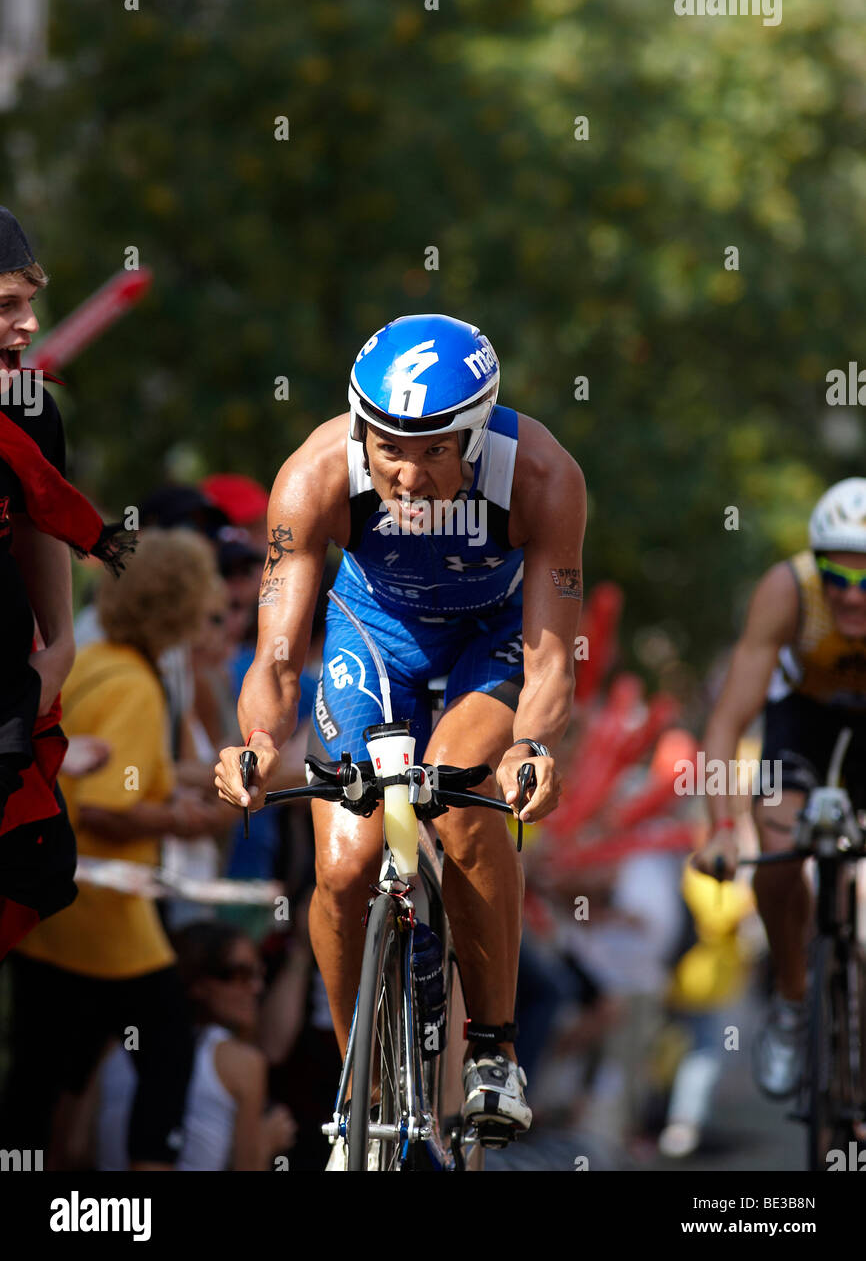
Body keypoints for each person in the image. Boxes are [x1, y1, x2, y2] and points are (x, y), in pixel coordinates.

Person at [215, 313, 586, 1140]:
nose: (409, 477)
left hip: (490, 644)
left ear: (478, 435)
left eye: (434, 452)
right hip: (372, 638)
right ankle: (360, 1088)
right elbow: (275, 657)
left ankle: (491, 1045)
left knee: (455, 801)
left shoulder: (544, 477)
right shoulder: (313, 475)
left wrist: (532, 745)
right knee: (343, 867)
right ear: (359, 431)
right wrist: (259, 745)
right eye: (389, 449)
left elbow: (554, 651)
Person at [3, 528, 229, 1169]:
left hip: (49, 908)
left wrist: (190, 781)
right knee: (166, 1049)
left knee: (42, 1074)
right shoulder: (135, 684)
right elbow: (108, 803)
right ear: (180, 607)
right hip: (106, 915)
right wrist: (181, 823)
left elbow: (119, 766)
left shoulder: (98, 662)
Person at [695, 478, 866, 1097]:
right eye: (836, 577)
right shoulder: (787, 590)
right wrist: (720, 830)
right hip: (804, 717)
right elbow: (727, 722)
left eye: (865, 581)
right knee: (777, 851)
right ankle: (793, 999)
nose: (850, 595)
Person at [0, 205, 132, 962]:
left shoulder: (29, 407)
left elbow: (35, 524)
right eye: (7, 307)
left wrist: (61, 648)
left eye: (30, 303)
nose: (28, 325)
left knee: (33, 863)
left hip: (9, 686)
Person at [98, 921, 295, 1171]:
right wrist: (265, 1144)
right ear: (198, 983)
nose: (256, 987)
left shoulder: (115, 1046)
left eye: (259, 973)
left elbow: (75, 1149)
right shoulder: (244, 1063)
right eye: (239, 974)